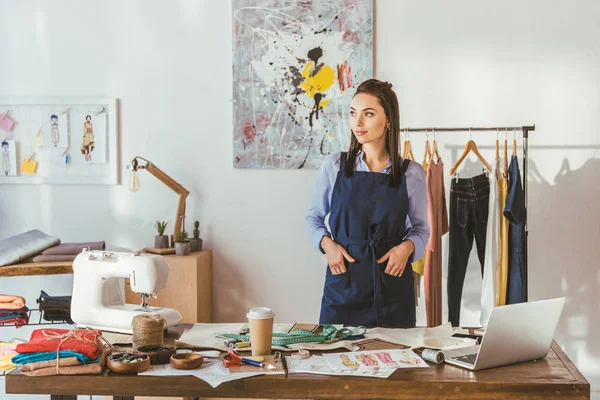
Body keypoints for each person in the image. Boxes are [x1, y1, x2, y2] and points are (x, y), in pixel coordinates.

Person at [305, 79, 430, 328]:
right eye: (353, 114)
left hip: (392, 289)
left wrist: (406, 249)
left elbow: (421, 230)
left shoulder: (412, 173)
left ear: (388, 120)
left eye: (368, 114)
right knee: (336, 362)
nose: (357, 123)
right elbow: (313, 218)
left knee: (397, 364)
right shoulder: (335, 165)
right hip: (343, 287)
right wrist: (327, 245)